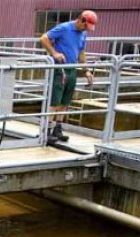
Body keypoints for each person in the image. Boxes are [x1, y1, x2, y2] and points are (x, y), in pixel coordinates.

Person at [40, 10, 97, 143]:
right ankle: (46, 130)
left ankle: (58, 129)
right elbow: (44, 38)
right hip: (60, 68)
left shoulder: (83, 33)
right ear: (81, 20)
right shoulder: (65, 28)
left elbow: (81, 52)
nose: (86, 29)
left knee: (66, 100)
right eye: (86, 26)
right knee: (55, 98)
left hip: (72, 68)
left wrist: (86, 70)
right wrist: (54, 53)